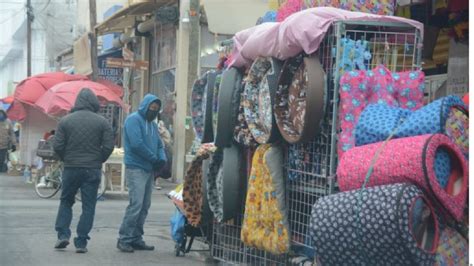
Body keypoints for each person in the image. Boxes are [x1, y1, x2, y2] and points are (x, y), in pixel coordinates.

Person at [53, 88, 114, 253]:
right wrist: (98, 159)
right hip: (92, 169)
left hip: (71, 168)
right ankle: (81, 242)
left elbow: (57, 146)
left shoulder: (65, 121)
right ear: (94, 102)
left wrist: (67, 158)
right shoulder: (102, 122)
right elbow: (109, 146)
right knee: (89, 206)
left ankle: (62, 235)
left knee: (66, 201)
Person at [117, 94, 167, 253]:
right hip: (136, 167)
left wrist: (162, 158)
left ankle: (136, 238)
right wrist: (154, 159)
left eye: (156, 109)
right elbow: (137, 144)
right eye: (151, 108)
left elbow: (160, 144)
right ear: (145, 106)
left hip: (149, 169)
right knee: (136, 204)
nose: (153, 111)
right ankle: (124, 238)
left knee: (145, 206)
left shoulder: (152, 125)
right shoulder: (133, 120)